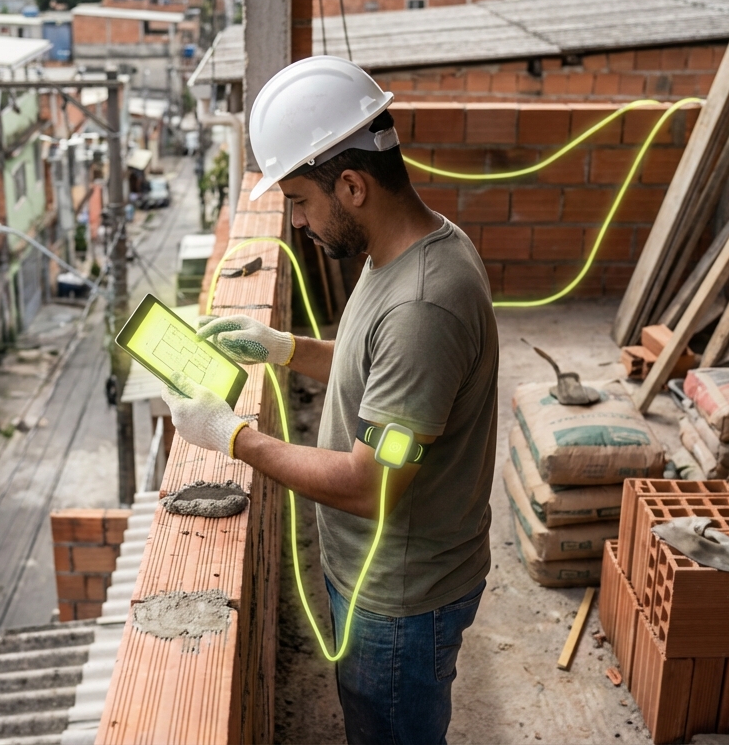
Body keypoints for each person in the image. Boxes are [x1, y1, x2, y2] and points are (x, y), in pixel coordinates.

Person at [162, 56, 499, 745]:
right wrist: (283, 347)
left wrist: (233, 438)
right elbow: (376, 372)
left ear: (350, 185)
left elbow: (371, 486)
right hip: (386, 579)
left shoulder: (423, 306)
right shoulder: (406, 251)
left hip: (400, 602)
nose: (295, 223)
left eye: (299, 202)